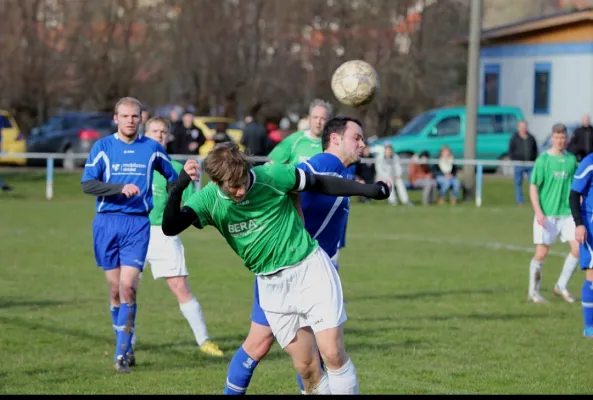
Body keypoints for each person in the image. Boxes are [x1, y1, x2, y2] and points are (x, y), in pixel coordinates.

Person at [162, 142, 391, 394]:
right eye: (232, 187)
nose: (240, 191)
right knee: (306, 368)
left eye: (243, 182)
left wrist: (368, 190)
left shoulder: (271, 175)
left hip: (308, 269)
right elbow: (170, 227)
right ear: (216, 182)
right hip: (271, 286)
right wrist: (178, 188)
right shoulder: (207, 199)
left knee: (332, 352)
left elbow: (320, 183)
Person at [222, 116, 364, 395]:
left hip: (312, 270)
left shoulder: (342, 170)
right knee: (260, 343)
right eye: (356, 138)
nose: (362, 144)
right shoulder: (323, 164)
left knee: (310, 353)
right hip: (286, 269)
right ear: (335, 139)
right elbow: (287, 181)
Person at [81, 97, 179, 373]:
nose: (130, 121)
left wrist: (185, 182)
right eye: (124, 116)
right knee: (114, 291)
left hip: (137, 225)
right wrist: (118, 188)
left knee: (128, 287)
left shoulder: (152, 149)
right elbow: (87, 185)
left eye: (135, 117)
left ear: (141, 120)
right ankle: (126, 344)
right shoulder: (103, 147)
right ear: (116, 118)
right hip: (106, 223)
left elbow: (174, 179)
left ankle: (121, 354)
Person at [142, 116, 223, 357]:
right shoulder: (136, 164)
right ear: (145, 135)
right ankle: (126, 344)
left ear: (168, 136)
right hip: (135, 231)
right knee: (126, 289)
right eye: (154, 131)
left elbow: (188, 205)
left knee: (180, 287)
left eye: (163, 132)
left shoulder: (176, 170)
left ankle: (204, 340)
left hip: (163, 234)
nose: (159, 135)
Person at [528, 123, 579, 304]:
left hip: (567, 214)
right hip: (547, 215)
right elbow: (533, 187)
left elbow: (576, 187)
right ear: (552, 138)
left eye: (563, 138)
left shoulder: (572, 160)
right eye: (557, 138)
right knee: (542, 253)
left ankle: (561, 285)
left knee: (578, 249)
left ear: (567, 139)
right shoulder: (544, 160)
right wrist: (538, 212)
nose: (560, 141)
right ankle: (533, 292)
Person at [569, 142, 593, 337]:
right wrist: (579, 223)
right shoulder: (589, 162)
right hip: (591, 227)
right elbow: (574, 194)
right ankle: (589, 326)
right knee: (592, 276)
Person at [267, 99, 332, 165]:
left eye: (323, 118)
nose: (318, 122)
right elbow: (271, 163)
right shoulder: (295, 139)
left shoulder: (332, 144)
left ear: (328, 121)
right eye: (315, 117)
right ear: (309, 119)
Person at [508, 120, 538, 205]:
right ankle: (520, 200)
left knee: (532, 182)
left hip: (530, 164)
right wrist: (513, 159)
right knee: (518, 182)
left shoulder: (531, 137)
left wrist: (534, 159)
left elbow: (535, 149)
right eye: (522, 127)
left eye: (525, 127)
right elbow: (511, 150)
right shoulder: (514, 138)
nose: (523, 128)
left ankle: (534, 200)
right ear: (518, 128)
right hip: (518, 163)